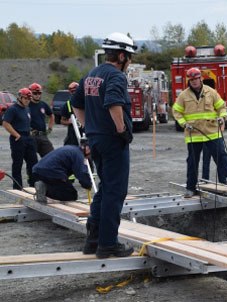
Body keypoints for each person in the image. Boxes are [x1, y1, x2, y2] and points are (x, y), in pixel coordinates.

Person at [71, 32, 136, 259]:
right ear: (121, 56)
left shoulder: (91, 75)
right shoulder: (116, 76)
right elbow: (113, 103)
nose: (130, 62)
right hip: (111, 140)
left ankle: (94, 240)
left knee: (104, 187)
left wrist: (88, 126)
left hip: (96, 138)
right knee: (115, 191)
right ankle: (108, 244)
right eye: (129, 57)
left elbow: (76, 103)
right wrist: (121, 130)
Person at [172, 67, 227, 198]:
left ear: (201, 78)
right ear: (189, 81)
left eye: (196, 79)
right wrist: (183, 123)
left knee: (222, 157)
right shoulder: (183, 96)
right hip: (194, 135)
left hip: (212, 132)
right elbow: (176, 111)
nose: (195, 81)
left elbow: (222, 107)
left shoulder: (211, 92)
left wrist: (222, 117)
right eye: (192, 80)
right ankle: (190, 188)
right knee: (192, 162)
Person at [2, 88, 38, 189]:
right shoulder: (13, 109)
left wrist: (30, 132)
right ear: (20, 97)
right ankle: (17, 187)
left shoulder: (27, 109)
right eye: (25, 98)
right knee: (18, 164)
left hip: (28, 137)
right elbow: (5, 123)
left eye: (29, 98)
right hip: (18, 139)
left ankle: (33, 184)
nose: (27, 100)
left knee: (33, 162)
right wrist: (17, 135)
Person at [28, 82, 55, 157]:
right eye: (35, 93)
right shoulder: (27, 105)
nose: (37, 95)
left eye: (39, 93)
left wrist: (49, 129)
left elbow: (51, 115)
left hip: (43, 135)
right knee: (32, 160)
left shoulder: (43, 104)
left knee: (51, 156)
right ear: (30, 93)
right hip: (31, 136)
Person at [61, 82, 82, 146]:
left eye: (76, 91)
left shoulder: (86, 103)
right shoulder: (67, 105)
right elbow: (62, 121)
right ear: (70, 92)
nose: (74, 93)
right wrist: (69, 122)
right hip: (72, 137)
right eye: (72, 91)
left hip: (86, 135)